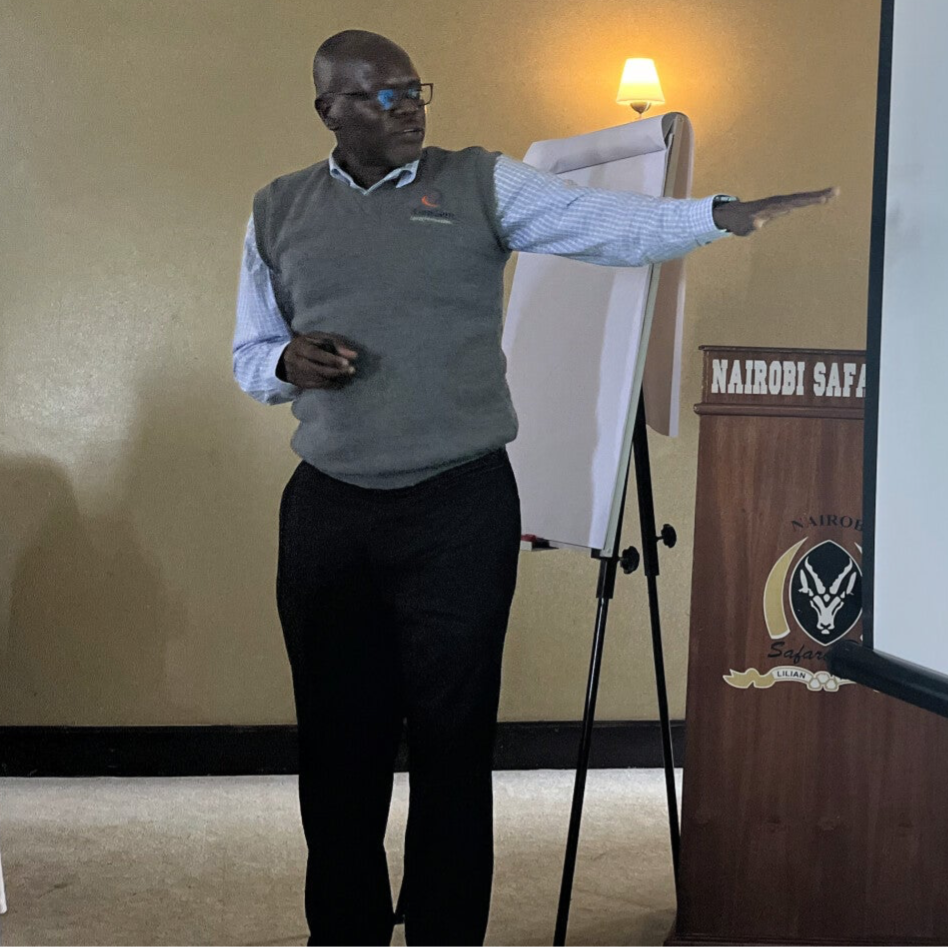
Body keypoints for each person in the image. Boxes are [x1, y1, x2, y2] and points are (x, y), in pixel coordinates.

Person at [232, 28, 836, 948]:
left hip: (457, 505)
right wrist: (285, 361)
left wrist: (718, 214)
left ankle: (445, 932)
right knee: (337, 744)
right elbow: (250, 352)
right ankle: (344, 929)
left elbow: (604, 224)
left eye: (414, 89)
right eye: (383, 95)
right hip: (329, 508)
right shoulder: (278, 207)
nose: (408, 107)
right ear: (330, 111)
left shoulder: (479, 181)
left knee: (453, 740)